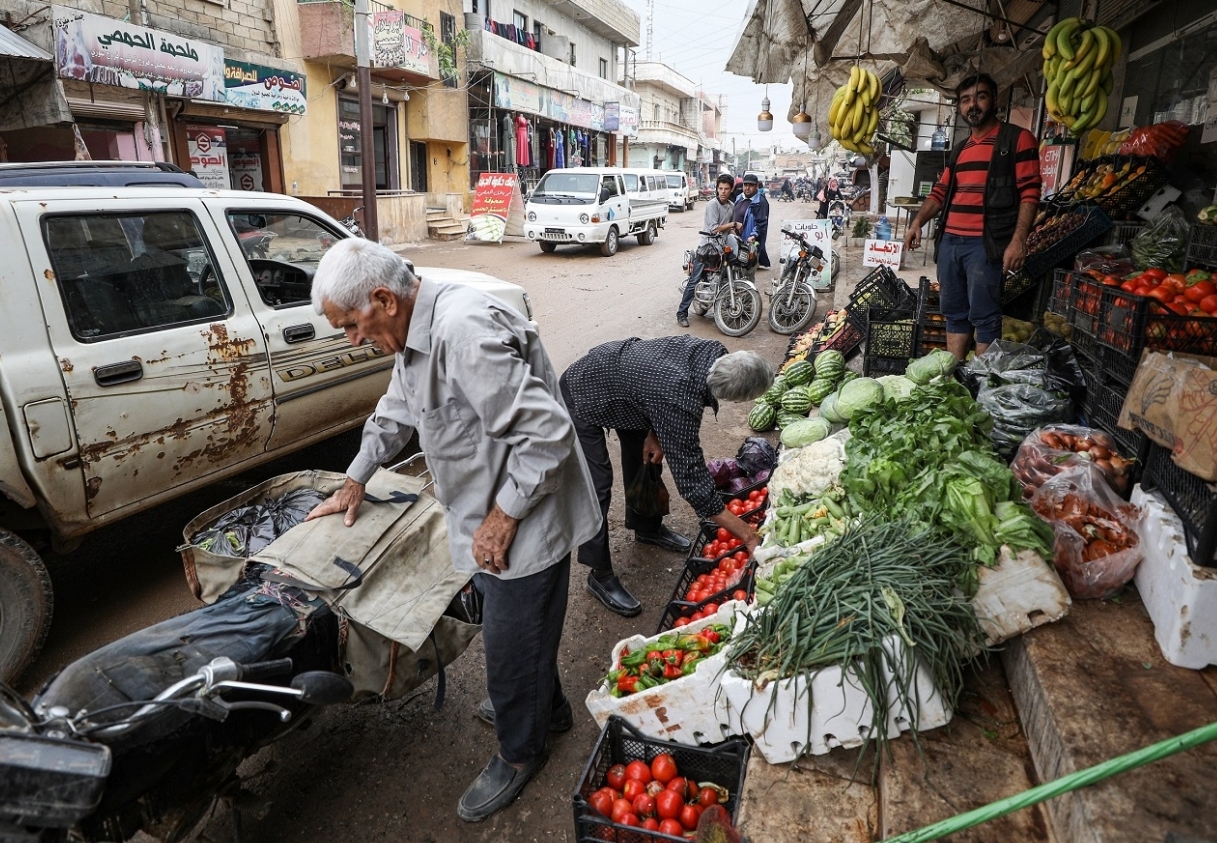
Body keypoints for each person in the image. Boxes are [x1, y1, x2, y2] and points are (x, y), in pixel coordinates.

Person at [304, 239, 600, 823]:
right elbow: (397, 411)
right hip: (490, 518)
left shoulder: (462, 333)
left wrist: (502, 517)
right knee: (518, 633)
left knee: (510, 650)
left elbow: (546, 435)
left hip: (524, 522)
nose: (352, 340)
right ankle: (551, 710)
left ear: (383, 299)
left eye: (350, 326)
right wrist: (356, 478)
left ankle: (521, 753)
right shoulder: (413, 330)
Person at [560, 337, 773, 616]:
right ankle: (599, 573)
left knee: (645, 458)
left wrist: (655, 432)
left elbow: (660, 394)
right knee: (596, 484)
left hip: (631, 389)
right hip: (584, 391)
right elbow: (693, 484)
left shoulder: (713, 355)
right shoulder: (679, 397)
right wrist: (747, 535)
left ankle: (646, 527)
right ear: (731, 396)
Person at [902, 72, 1041, 361]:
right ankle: (955, 375)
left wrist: (1019, 240)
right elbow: (939, 193)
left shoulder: (1017, 139)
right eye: (965, 100)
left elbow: (1030, 193)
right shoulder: (960, 149)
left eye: (980, 96)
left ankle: (980, 381)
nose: (972, 105)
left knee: (985, 316)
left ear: (994, 100)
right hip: (950, 242)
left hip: (985, 245)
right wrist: (917, 223)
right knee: (954, 313)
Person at [676, 173, 742, 328]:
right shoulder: (712, 204)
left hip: (722, 249)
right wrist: (733, 224)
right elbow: (714, 229)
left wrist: (738, 236)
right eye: (721, 188)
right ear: (717, 189)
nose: (723, 191)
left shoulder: (731, 206)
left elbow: (729, 230)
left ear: (731, 189)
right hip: (707, 248)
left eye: (726, 188)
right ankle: (681, 313)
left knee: (728, 275)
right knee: (694, 280)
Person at [736, 173, 771, 269]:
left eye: (751, 185)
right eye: (745, 185)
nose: (747, 188)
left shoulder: (760, 202)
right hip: (736, 239)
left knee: (747, 272)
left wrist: (753, 235)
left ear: (757, 186)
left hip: (748, 241)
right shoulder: (739, 198)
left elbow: (761, 223)